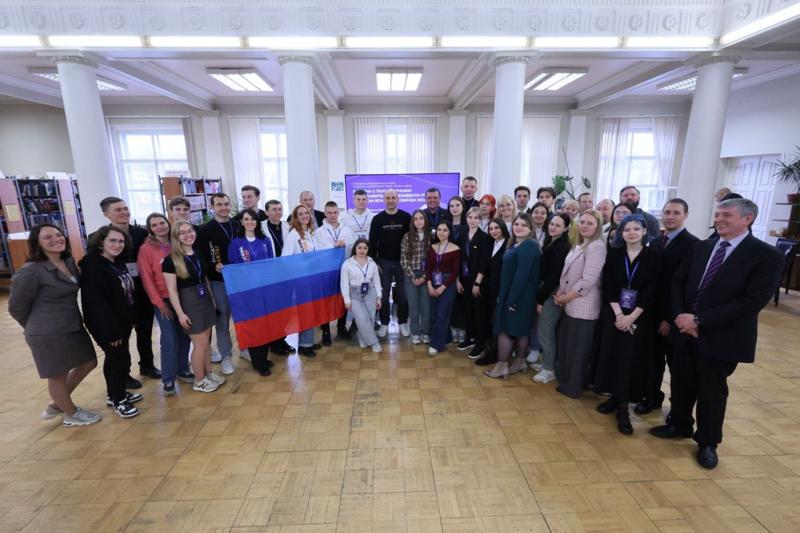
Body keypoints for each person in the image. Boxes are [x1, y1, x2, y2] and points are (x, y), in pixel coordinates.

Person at [651, 198, 784, 470]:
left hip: (722, 335)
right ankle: (680, 424)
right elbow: (678, 282)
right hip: (684, 330)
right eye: (717, 214)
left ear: (747, 218)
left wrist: (699, 320)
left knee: (711, 390)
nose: (719, 219)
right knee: (681, 380)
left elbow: (751, 302)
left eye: (727, 215)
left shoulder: (766, 256)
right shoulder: (701, 248)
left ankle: (708, 441)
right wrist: (681, 317)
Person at [9, 224, 101, 427]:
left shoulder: (68, 261)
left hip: (72, 324)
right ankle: (71, 414)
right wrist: (35, 326)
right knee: (57, 375)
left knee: (89, 362)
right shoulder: (31, 271)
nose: (56, 239)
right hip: (47, 331)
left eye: (58, 235)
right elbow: (16, 307)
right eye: (48, 237)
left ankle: (58, 404)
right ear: (37, 243)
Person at [593, 215, 660, 435]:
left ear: (644, 232)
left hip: (640, 317)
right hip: (615, 314)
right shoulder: (614, 254)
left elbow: (651, 291)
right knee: (613, 356)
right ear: (621, 233)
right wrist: (620, 315)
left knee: (630, 360)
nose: (631, 233)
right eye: (627, 229)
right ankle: (614, 397)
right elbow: (609, 285)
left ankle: (623, 408)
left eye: (636, 229)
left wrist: (631, 318)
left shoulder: (653, 256)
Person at [636, 198, 698, 416]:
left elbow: (684, 287)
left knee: (678, 367)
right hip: (650, 313)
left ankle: (679, 413)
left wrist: (669, 318)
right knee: (652, 361)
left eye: (676, 213)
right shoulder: (656, 242)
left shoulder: (693, 245)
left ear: (685, 215)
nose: (670, 217)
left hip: (673, 316)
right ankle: (651, 397)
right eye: (667, 212)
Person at [96, 197, 159, 386]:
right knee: (122, 335)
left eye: (125, 208)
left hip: (142, 289)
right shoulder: (100, 237)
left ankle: (147, 364)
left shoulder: (142, 233)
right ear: (106, 214)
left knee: (145, 331)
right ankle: (124, 374)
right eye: (118, 210)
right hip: (119, 294)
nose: (124, 212)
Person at [80, 226, 142, 419]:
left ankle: (114, 393)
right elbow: (96, 303)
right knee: (119, 361)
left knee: (116, 359)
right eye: (112, 240)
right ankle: (119, 401)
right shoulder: (93, 266)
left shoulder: (116, 262)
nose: (117, 244)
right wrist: (111, 332)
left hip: (121, 321)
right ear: (101, 242)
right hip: (107, 325)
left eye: (121, 241)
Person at [162, 221, 223, 393]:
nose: (188, 234)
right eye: (182, 233)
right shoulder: (170, 260)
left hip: (205, 298)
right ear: (176, 237)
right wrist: (181, 314)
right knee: (200, 343)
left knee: (207, 341)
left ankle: (208, 373)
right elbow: (172, 291)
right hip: (189, 302)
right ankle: (199, 379)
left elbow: (204, 278)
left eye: (190, 230)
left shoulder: (198, 253)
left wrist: (212, 299)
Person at [137, 213, 193, 397]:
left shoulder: (176, 243)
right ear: (150, 229)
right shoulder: (146, 249)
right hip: (163, 300)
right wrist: (159, 304)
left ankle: (183, 369)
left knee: (185, 335)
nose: (159, 227)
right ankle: (168, 378)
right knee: (169, 338)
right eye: (154, 225)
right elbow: (147, 280)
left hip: (183, 297)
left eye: (162, 223)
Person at [554, 210, 607, 398]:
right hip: (570, 303)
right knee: (568, 345)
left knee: (579, 350)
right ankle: (567, 380)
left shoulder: (597, 247)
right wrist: (560, 291)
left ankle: (574, 387)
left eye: (590, 223)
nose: (585, 226)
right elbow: (568, 273)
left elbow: (587, 281)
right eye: (582, 222)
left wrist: (565, 297)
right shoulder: (581, 243)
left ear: (598, 226)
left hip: (584, 306)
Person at [484, 214, 542, 379]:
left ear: (530, 228)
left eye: (524, 225)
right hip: (515, 295)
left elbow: (521, 276)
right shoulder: (517, 244)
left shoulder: (529, 245)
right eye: (516, 224)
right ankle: (520, 362)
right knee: (521, 330)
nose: (519, 227)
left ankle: (502, 366)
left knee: (505, 329)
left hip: (518, 296)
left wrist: (511, 300)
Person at [227, 208, 275, 376]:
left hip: (265, 289)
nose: (250, 222)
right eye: (246, 219)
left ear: (257, 222)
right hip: (247, 291)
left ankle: (264, 357)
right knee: (255, 325)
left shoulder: (265, 240)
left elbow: (271, 264)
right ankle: (258, 361)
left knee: (266, 322)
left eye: (253, 219)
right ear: (241, 222)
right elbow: (234, 268)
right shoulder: (236, 243)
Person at [196, 193, 240, 375]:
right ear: (212, 206)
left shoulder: (238, 225)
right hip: (218, 281)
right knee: (222, 321)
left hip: (240, 281)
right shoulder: (205, 230)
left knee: (242, 318)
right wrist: (213, 266)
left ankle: (246, 347)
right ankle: (226, 356)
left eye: (226, 204)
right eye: (219, 204)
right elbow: (201, 258)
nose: (224, 208)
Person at [531, 214, 572, 384]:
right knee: (543, 330)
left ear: (566, 228)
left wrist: (541, 299)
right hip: (546, 291)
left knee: (546, 332)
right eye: (552, 224)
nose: (553, 227)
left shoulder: (562, 246)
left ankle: (549, 370)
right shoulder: (552, 242)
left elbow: (554, 276)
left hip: (551, 294)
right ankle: (546, 363)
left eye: (558, 225)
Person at [369, 189, 412, 338]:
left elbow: (411, 240)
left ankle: (402, 322)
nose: (390, 200)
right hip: (383, 263)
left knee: (404, 295)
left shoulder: (406, 217)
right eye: (387, 198)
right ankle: (384, 323)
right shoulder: (377, 219)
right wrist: (375, 261)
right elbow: (372, 241)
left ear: (398, 199)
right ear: (384, 200)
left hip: (403, 262)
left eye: (393, 197)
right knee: (383, 295)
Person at [315, 201, 356, 343]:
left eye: (335, 212)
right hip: (327, 271)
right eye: (329, 213)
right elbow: (318, 251)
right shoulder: (319, 232)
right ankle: (326, 330)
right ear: (325, 213)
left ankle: (341, 327)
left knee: (343, 298)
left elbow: (354, 247)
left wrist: (345, 244)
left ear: (338, 213)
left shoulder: (347, 230)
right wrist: (334, 245)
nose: (332, 215)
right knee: (326, 301)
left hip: (344, 269)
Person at [284, 204, 321, 357]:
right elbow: (286, 258)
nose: (305, 216)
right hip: (301, 279)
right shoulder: (293, 235)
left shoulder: (310, 233)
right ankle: (304, 345)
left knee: (311, 310)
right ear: (296, 217)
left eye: (307, 213)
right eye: (301, 214)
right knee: (305, 310)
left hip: (312, 278)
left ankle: (309, 340)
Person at [474, 219, 510, 367]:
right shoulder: (491, 243)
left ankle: (494, 354)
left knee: (497, 322)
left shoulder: (509, 244)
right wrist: (477, 283)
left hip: (501, 289)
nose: (494, 231)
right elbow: (483, 265)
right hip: (488, 288)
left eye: (497, 228)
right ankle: (488, 348)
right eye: (491, 229)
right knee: (487, 319)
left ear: (503, 228)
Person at [262, 199, 295, 356]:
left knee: (285, 310)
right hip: (269, 274)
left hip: (286, 273)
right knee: (273, 310)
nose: (277, 212)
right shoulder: (260, 228)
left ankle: (282, 339)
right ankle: (274, 342)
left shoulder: (287, 226)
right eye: (274, 209)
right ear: (266, 212)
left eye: (279, 209)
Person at [458, 207, 492, 358]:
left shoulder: (485, 237)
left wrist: (477, 283)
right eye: (470, 217)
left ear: (480, 220)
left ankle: (480, 343)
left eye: (476, 218)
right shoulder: (462, 234)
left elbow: (484, 263)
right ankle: (470, 338)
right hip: (464, 279)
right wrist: (458, 280)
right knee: (468, 310)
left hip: (478, 281)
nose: (472, 220)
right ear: (466, 218)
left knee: (479, 313)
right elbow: (459, 259)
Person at [340, 238, 383, 353]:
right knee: (362, 319)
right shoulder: (347, 264)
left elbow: (377, 282)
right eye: (359, 248)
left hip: (370, 293)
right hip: (354, 294)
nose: (362, 250)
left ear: (368, 249)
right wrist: (346, 300)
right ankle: (374, 343)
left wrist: (379, 298)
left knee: (370, 319)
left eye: (365, 248)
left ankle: (363, 338)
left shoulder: (372, 263)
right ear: (355, 248)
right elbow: (344, 284)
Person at [425, 221, 461, 356]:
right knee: (434, 314)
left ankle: (435, 344)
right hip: (433, 282)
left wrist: (443, 287)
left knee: (442, 314)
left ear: (449, 232)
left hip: (448, 284)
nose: (441, 232)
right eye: (439, 229)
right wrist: (429, 284)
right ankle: (446, 338)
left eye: (445, 230)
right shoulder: (433, 247)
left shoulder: (455, 249)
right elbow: (428, 268)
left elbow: (455, 272)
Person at [400, 210, 432, 345]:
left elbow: (433, 259)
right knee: (413, 306)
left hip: (427, 275)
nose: (419, 221)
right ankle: (415, 332)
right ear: (412, 222)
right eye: (416, 219)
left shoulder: (432, 236)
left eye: (421, 218)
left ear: (425, 220)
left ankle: (426, 332)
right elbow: (403, 260)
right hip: (410, 275)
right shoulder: (407, 237)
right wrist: (413, 277)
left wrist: (424, 277)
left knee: (426, 306)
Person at [448, 196, 468, 343]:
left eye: (457, 205)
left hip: (465, 268)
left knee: (463, 299)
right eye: (452, 206)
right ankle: (453, 327)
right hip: (448, 267)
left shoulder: (468, 225)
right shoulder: (446, 225)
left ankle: (463, 328)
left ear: (462, 207)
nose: (454, 208)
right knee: (451, 300)